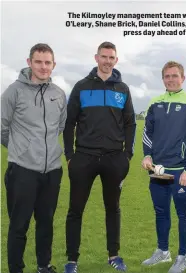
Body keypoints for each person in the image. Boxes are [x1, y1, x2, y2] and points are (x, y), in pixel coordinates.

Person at [63, 41, 136, 273]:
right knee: (75, 210)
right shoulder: (81, 86)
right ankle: (72, 261)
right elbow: (69, 122)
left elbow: (130, 123)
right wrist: (70, 155)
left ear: (116, 60)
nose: (107, 61)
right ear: (96, 58)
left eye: (111, 57)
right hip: (83, 157)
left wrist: (127, 155)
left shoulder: (122, 89)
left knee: (112, 208)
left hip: (114, 159)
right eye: (104, 57)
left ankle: (114, 256)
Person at [1, 43, 66, 273]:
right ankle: (16, 269)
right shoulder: (13, 92)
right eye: (38, 61)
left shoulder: (58, 94)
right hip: (22, 170)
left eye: (48, 62)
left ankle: (43, 266)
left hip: (52, 171)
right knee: (19, 226)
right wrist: (23, 148)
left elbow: (59, 127)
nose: (43, 66)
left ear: (53, 65)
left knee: (46, 223)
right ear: (29, 62)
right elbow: (2, 129)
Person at [141, 61, 186, 273]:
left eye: (174, 75)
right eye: (167, 76)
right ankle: (162, 251)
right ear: (163, 79)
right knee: (160, 212)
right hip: (157, 170)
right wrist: (147, 156)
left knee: (183, 215)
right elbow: (147, 132)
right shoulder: (154, 102)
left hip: (180, 171)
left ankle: (182, 256)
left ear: (183, 78)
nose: (171, 79)